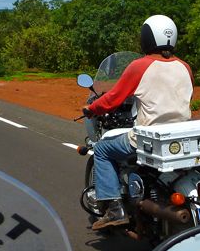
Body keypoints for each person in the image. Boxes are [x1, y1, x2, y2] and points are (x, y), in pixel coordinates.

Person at [83, 15, 193, 230]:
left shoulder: (140, 66)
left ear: (146, 38)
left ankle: (115, 209)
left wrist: (91, 108)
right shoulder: (185, 67)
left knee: (103, 150)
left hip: (148, 138)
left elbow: (113, 99)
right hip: (181, 136)